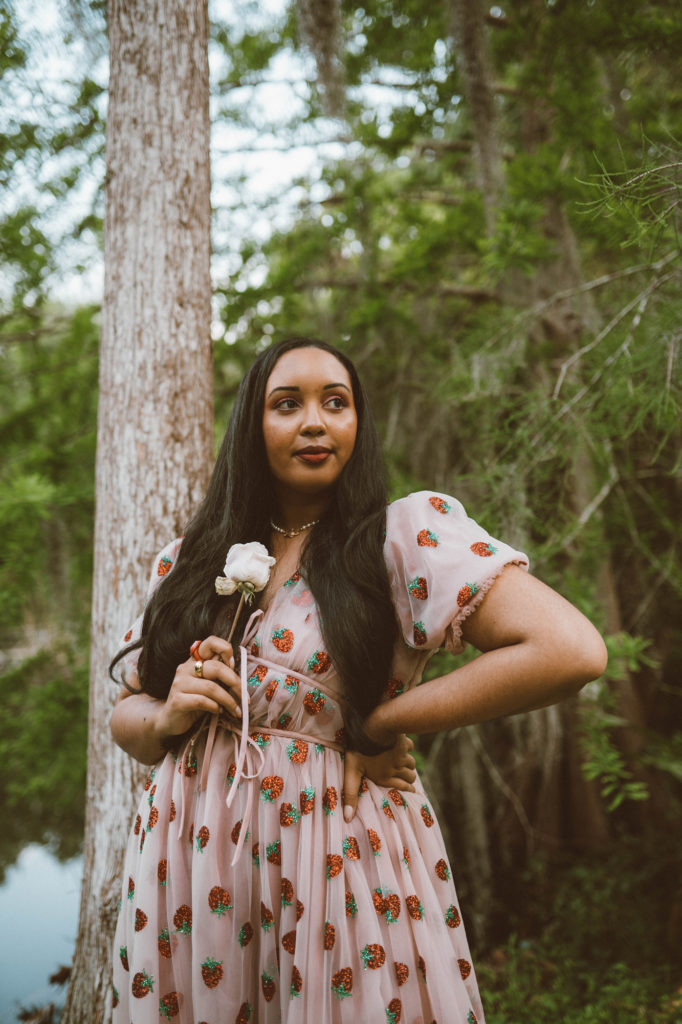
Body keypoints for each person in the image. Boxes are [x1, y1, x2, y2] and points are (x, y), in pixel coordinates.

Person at [110, 337, 607, 1024]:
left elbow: (569, 650)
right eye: (288, 404)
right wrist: (166, 718)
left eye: (335, 403)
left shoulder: (400, 537)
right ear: (252, 425)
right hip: (192, 864)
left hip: (333, 852)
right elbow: (126, 716)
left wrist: (382, 725)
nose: (315, 422)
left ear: (357, 425)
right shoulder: (189, 560)